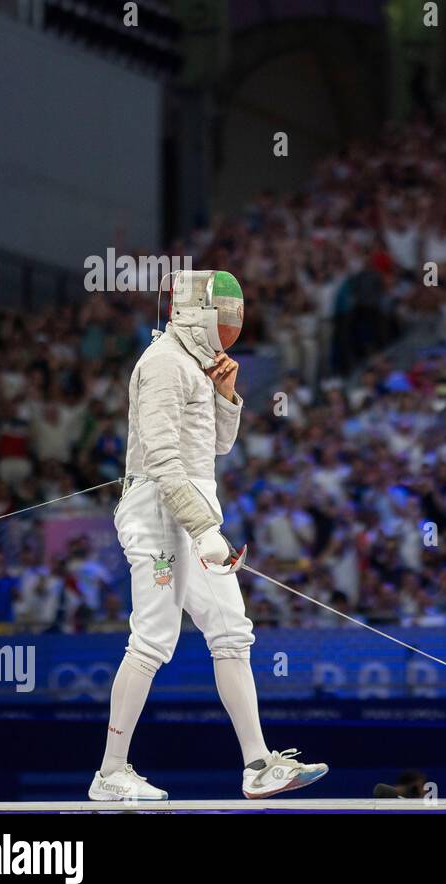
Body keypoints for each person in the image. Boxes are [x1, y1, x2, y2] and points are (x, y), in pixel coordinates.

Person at [89, 270, 327, 802]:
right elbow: (164, 463)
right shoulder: (162, 364)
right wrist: (202, 529)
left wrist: (226, 395)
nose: (230, 329)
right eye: (224, 319)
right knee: (153, 637)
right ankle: (110, 773)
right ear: (199, 314)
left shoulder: (196, 366)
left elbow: (214, 449)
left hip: (194, 511)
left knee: (230, 630)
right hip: (158, 512)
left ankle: (259, 765)